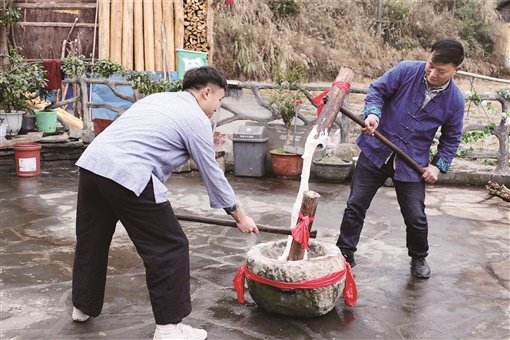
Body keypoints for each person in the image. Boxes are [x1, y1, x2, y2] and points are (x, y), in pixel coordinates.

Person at [71, 66, 259, 340]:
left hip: (93, 165)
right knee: (170, 247)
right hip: (129, 173)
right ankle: (170, 328)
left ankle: (82, 306)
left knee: (92, 240)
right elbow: (212, 172)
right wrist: (239, 215)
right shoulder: (196, 119)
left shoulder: (156, 99)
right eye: (218, 100)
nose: (216, 108)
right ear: (207, 92)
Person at [336, 38, 465, 279]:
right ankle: (344, 253)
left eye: (441, 70)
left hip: (411, 162)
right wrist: (373, 115)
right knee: (356, 204)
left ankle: (419, 256)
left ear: (456, 70)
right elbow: (377, 90)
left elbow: (451, 139)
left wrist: (437, 167)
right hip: (376, 150)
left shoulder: (455, 101)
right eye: (430, 65)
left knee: (415, 216)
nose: (433, 73)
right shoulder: (406, 70)